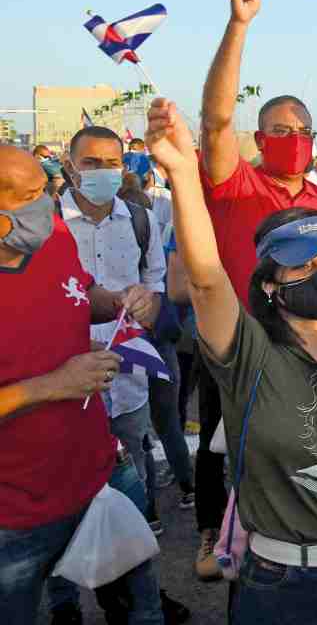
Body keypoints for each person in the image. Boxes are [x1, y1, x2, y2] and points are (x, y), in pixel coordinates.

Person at [146, 96, 317, 624]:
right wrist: (184, 173)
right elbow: (205, 279)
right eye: (302, 265)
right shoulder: (248, 352)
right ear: (270, 284)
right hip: (282, 586)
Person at [194, 0, 317, 577]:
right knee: (219, 436)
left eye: (301, 131)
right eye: (279, 130)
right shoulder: (235, 183)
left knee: (302, 442)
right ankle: (214, 533)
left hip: (309, 342)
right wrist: (239, 25)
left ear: (315, 139)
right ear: (259, 137)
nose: (291, 138)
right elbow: (214, 121)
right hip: (239, 339)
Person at [0, 146, 146, 624]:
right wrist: (51, 386)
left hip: (99, 475)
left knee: (141, 608)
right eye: (29, 196)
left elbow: (82, 294)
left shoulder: (55, 235)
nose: (47, 204)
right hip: (16, 513)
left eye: (44, 190)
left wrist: (120, 300)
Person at [59, 126, 169, 533]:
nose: (101, 172)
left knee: (131, 476)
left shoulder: (141, 220)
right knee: (64, 491)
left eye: (111, 163)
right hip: (66, 380)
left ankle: (136, 577)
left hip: (128, 382)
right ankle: (65, 596)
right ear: (71, 168)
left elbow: (157, 289)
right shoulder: (48, 224)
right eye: (90, 163)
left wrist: (147, 301)